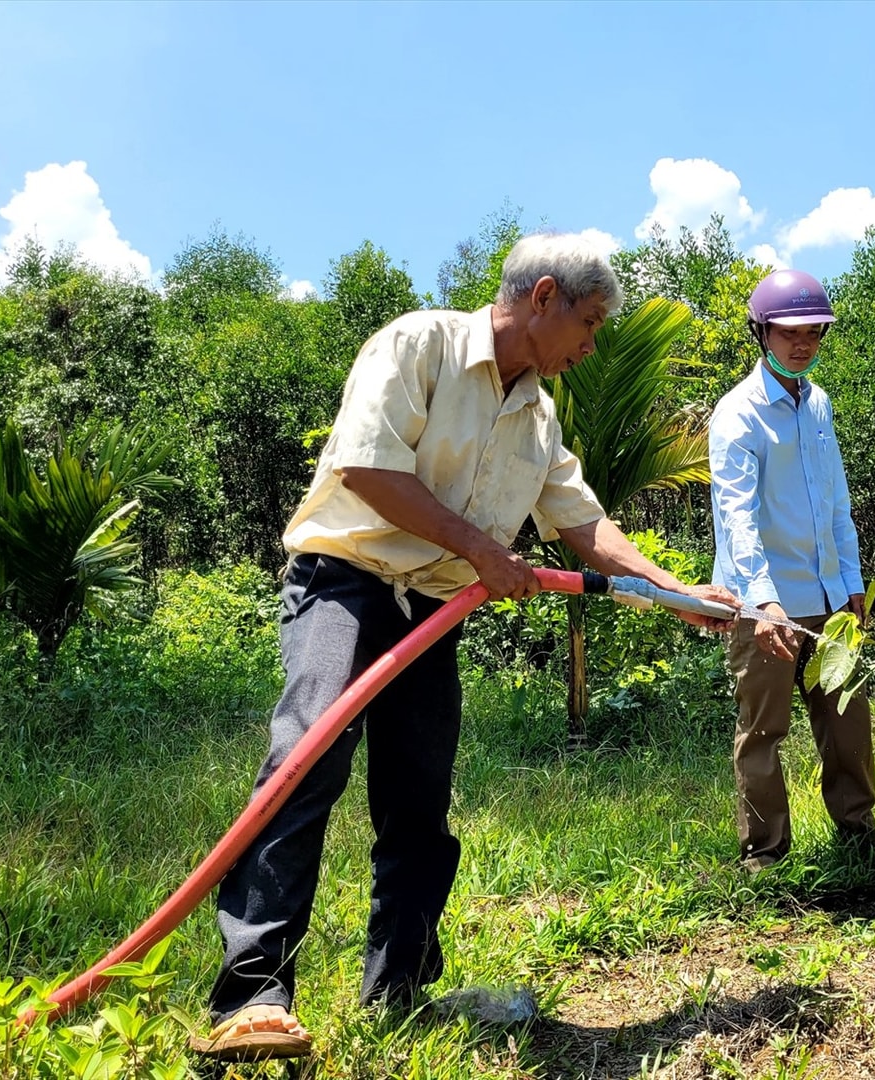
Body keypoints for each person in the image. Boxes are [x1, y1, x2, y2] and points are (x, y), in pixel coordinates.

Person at [191, 233, 738, 1061]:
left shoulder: (539, 413)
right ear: (543, 296)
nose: (592, 346)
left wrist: (672, 592)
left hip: (432, 610)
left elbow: (583, 522)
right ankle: (253, 995)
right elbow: (369, 471)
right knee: (307, 760)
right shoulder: (419, 346)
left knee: (418, 800)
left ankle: (399, 992)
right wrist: (483, 552)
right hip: (347, 576)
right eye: (588, 323)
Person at [708, 268, 875, 875]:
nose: (802, 343)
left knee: (847, 723)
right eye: (789, 332)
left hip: (831, 599)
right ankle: (765, 858)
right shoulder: (739, 415)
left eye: (814, 332)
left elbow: (835, 500)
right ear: (762, 333)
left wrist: (854, 582)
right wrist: (763, 604)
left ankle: (859, 835)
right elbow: (738, 519)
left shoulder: (819, 404)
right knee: (763, 731)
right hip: (769, 605)